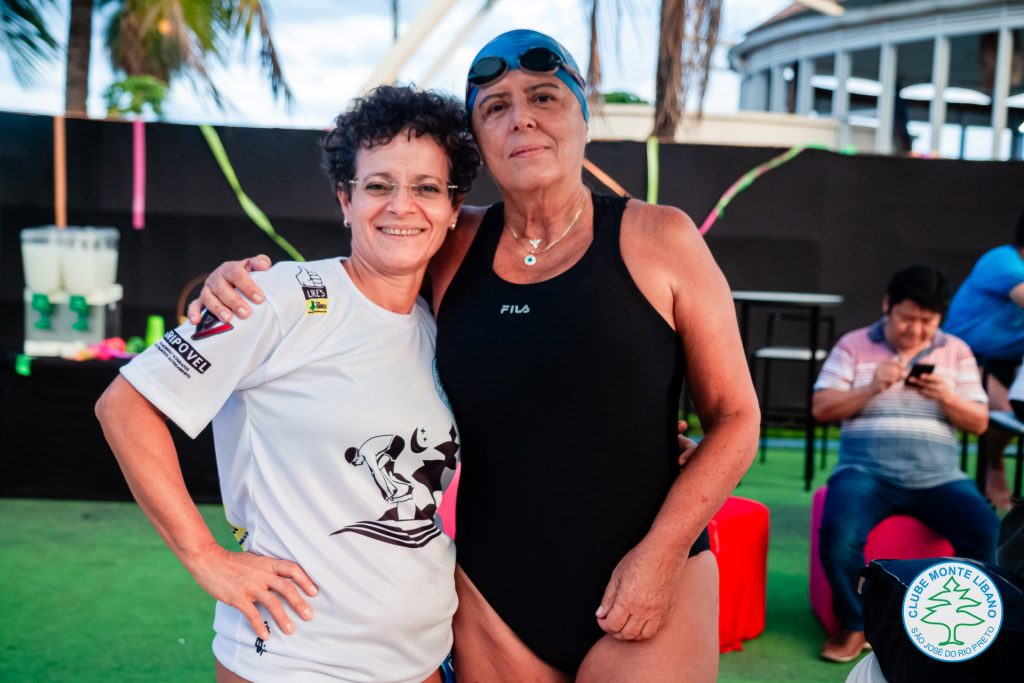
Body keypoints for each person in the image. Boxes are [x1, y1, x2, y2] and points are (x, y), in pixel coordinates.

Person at [192, 29, 760, 683]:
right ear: (479, 144)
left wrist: (660, 554)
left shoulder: (662, 238)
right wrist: (234, 284)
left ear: (583, 117)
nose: (521, 118)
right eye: (495, 107)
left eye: (543, 97)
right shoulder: (451, 242)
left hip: (650, 570)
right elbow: (360, 277)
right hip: (494, 599)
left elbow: (737, 418)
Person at [96, 85, 480, 683]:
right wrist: (206, 557)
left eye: (427, 188)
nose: (402, 206)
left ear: (454, 208)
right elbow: (125, 405)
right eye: (379, 185)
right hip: (296, 658)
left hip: (423, 658)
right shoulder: (280, 296)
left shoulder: (439, 327)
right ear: (346, 199)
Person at [812, 264, 999, 663]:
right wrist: (872, 386)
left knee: (985, 530)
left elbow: (979, 422)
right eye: (907, 318)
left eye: (927, 321)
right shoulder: (853, 345)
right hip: (865, 473)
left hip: (939, 478)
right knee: (839, 533)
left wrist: (947, 398)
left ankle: (961, 626)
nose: (915, 330)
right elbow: (822, 408)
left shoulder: (957, 351)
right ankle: (856, 622)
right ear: (887, 306)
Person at [944, 211, 1024, 510]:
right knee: (1006, 412)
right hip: (966, 359)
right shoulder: (1003, 263)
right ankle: (994, 466)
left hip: (1010, 361)